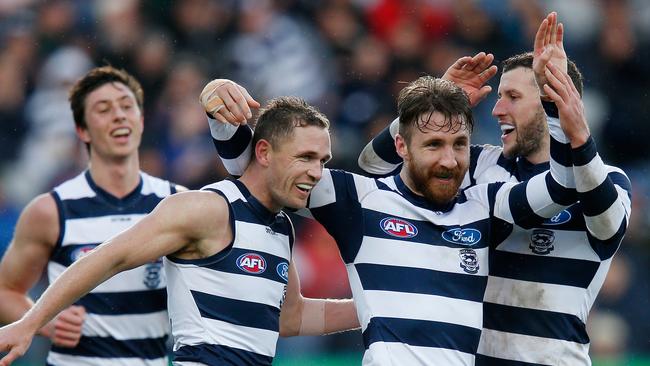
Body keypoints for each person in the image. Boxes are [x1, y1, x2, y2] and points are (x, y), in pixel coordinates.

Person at [199, 53, 617, 363]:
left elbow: (563, 186)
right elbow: (259, 169)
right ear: (401, 146)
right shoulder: (359, 201)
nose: (450, 160)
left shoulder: (485, 205)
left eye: (458, 146)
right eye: (433, 145)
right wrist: (220, 105)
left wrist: (563, 117)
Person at [0, 96, 360, 366]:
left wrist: (382, 305)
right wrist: (30, 323)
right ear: (263, 152)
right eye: (305, 157)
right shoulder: (207, 208)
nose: (317, 172)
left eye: (322, 161)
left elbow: (290, 317)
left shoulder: (281, 226)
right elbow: (108, 258)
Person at [358, 13, 632, 365]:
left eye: (513, 97)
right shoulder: (480, 166)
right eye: (499, 96)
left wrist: (575, 133)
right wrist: (433, 106)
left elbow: (609, 226)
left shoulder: (603, 177)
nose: (497, 110)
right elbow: (376, 166)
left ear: (555, 100)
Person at [0, 66, 186, 366]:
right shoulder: (51, 209)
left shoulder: (179, 203)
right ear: (82, 130)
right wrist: (42, 321)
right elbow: (5, 289)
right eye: (104, 109)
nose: (119, 115)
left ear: (141, 120)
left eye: (127, 106)